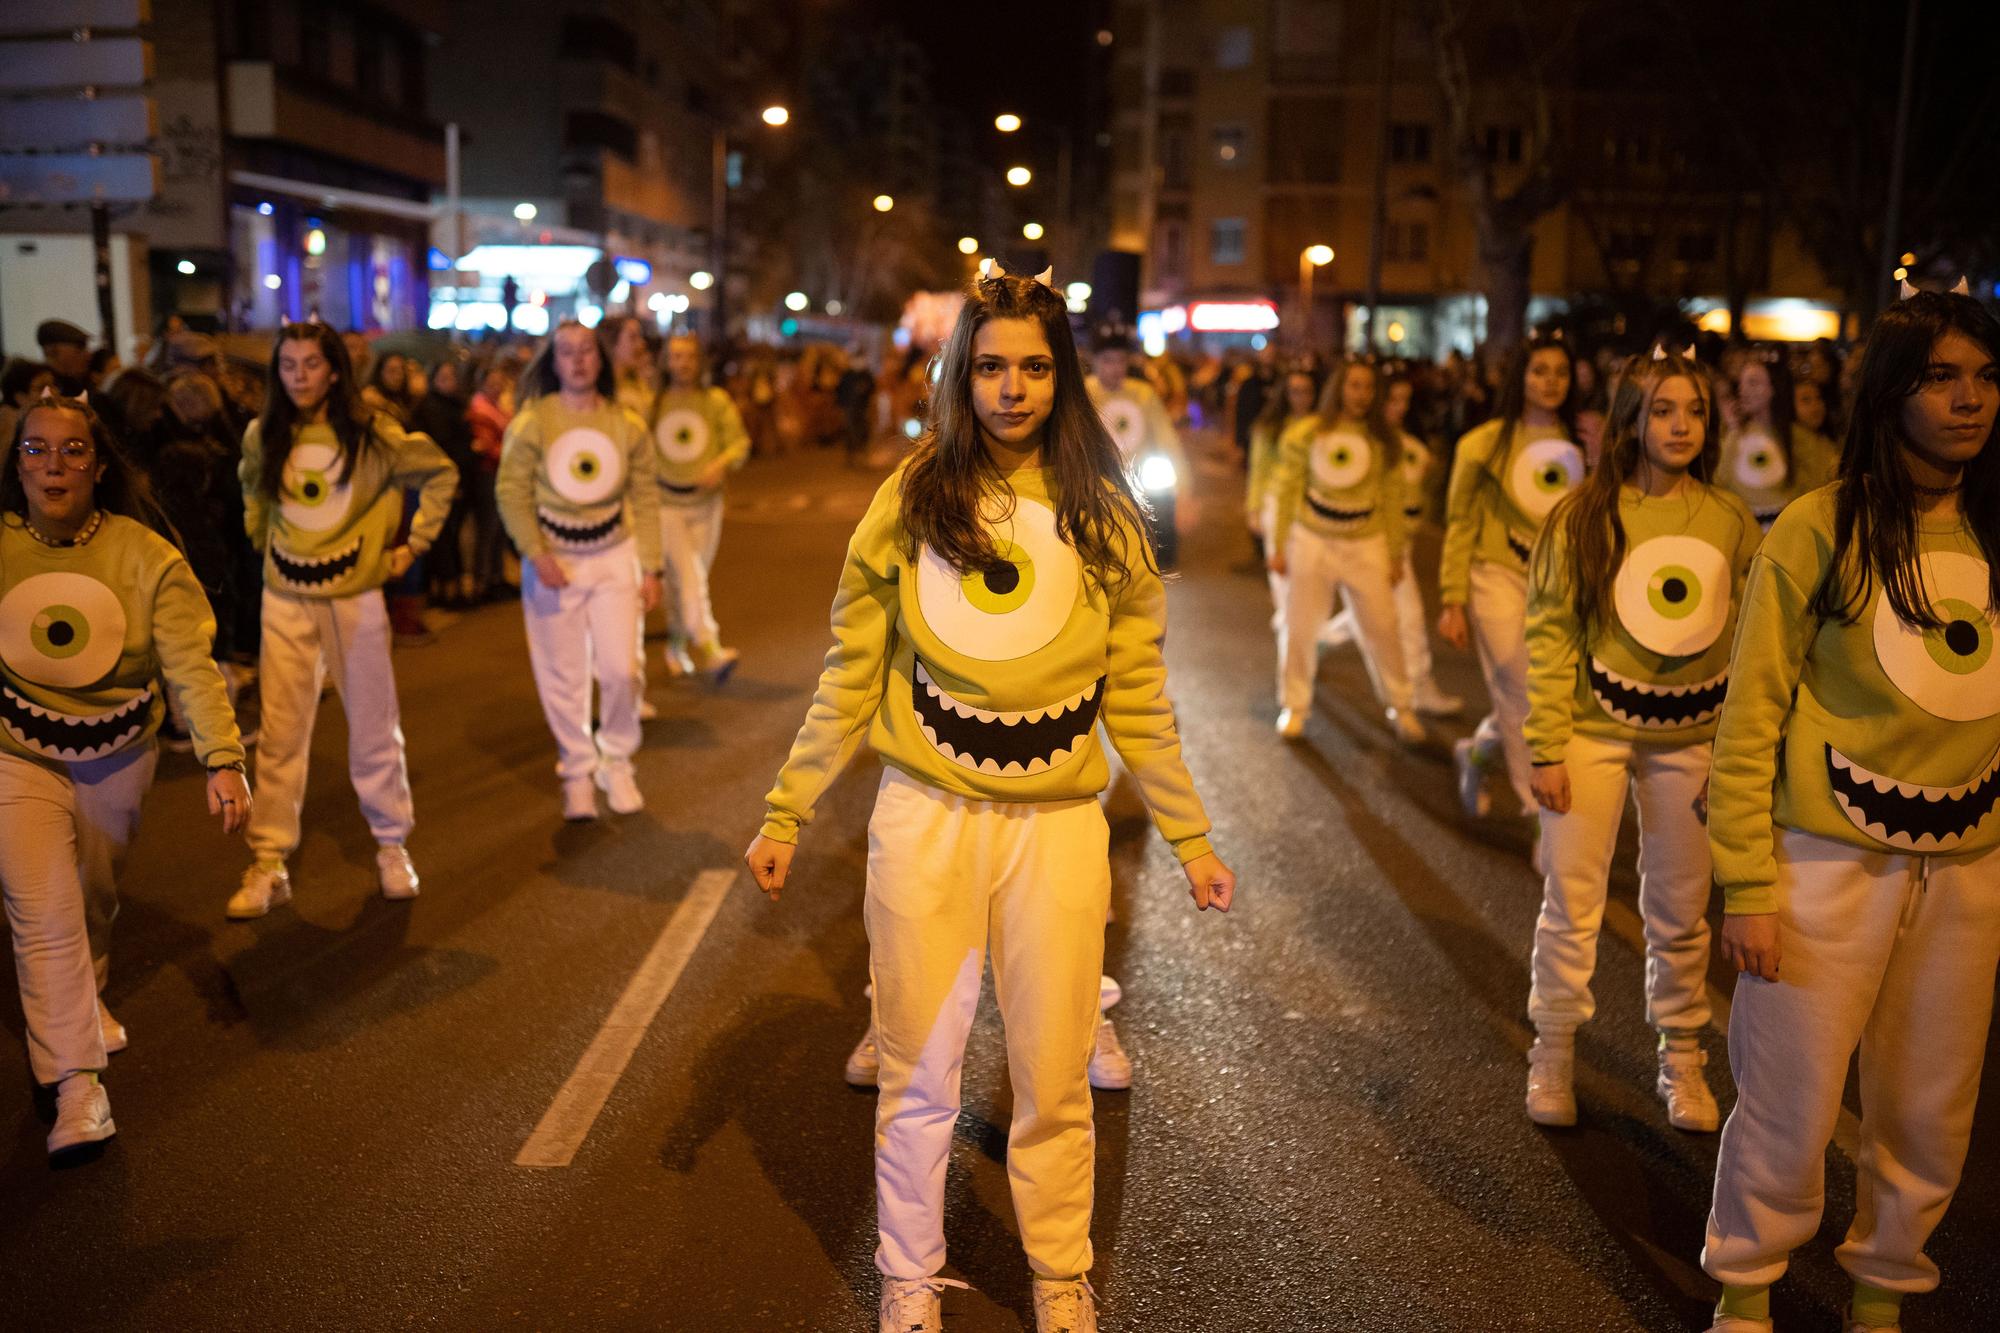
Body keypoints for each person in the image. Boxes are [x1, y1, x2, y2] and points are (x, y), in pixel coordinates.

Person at [743, 268, 1236, 1333]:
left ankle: (1060, 1272)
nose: (1011, 388)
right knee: (918, 1072)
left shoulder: (1104, 516)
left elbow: (1140, 697)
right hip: (922, 817)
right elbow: (847, 669)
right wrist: (787, 809)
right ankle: (907, 1276)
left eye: (1032, 367)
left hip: (1058, 829)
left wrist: (1190, 835)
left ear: (1059, 380)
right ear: (958, 378)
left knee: (1053, 1076)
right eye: (989, 367)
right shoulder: (911, 497)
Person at [1700, 289, 2000, 1333]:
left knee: (1928, 1106)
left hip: (1967, 868)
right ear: (1889, 391)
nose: (1968, 399)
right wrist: (1744, 880)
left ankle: (1883, 1289)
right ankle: (1744, 1286)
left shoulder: (1995, 532)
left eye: (1983, 376)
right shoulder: (1817, 530)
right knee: (1787, 1097)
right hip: (1817, 863)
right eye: (1938, 376)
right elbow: (1748, 719)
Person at [0, 396, 250, 1155]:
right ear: (17, 465)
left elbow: (190, 667)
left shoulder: (147, 557)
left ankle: (91, 982)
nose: (54, 465)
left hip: (118, 752)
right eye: (36, 450)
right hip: (16, 753)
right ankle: (78, 1087)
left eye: (72, 450)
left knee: (92, 896)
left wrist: (222, 757)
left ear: (99, 465)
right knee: (41, 911)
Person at [1519, 350, 1759, 1132]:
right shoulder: (1584, 516)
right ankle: (1553, 1049)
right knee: (1572, 900)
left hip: (1690, 744)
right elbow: (1551, 632)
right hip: (1590, 736)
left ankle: (1681, 1056)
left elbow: (1752, 639)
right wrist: (1546, 744)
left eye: (1693, 409)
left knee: (1681, 909)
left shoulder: (1729, 520)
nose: (1681, 423)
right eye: (1662, 410)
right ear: (1630, 421)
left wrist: (1733, 750)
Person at [226, 323, 458, 918]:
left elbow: (439, 473)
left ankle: (390, 845)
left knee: (374, 726)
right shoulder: (264, 433)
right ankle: (269, 860)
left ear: (334, 370)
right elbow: (251, 489)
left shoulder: (372, 434)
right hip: (285, 596)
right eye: (289, 365)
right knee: (280, 732)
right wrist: (261, 537)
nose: (300, 376)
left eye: (311, 364)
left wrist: (411, 547)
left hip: (355, 596)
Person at [497, 322, 663, 821]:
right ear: (553, 362)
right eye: (566, 353)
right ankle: (576, 771)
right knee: (562, 676)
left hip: (614, 554)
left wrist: (652, 568)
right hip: (554, 560)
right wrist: (536, 552)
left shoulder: (626, 422)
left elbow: (647, 497)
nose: (577, 361)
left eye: (586, 351)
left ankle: (617, 758)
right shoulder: (532, 421)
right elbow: (511, 491)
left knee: (621, 669)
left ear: (601, 359)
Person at [1437, 332, 1584, 822]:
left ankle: (1478, 752)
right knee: (1521, 688)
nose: (1551, 382)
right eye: (1539, 370)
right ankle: (1537, 813)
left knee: (1552, 695)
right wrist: (1452, 599)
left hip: (1563, 585)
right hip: (1495, 576)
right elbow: (1460, 523)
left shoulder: (1585, 441)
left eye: (1560, 372)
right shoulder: (1482, 445)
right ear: (1520, 376)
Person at [1266, 356, 1425, 744]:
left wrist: (1395, 554)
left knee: (1384, 628)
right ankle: (1295, 706)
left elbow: (1392, 499)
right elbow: (1287, 489)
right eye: (1354, 385)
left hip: (1366, 542)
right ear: (1339, 387)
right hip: (1312, 539)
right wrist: (1280, 543)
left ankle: (1401, 705)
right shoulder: (1306, 434)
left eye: (1368, 387)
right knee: (1301, 626)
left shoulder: (1384, 440)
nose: (1361, 394)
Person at [647, 333, 748, 682]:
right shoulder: (654, 402)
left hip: (707, 505)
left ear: (700, 361)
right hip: (665, 504)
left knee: (689, 580)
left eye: (689, 356)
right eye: (675, 357)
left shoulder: (716, 401)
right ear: (665, 362)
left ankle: (675, 645)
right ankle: (710, 647)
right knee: (689, 575)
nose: (682, 363)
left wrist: (720, 463)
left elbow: (740, 443)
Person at [1716, 353, 1840, 530]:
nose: (1743, 390)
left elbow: (1819, 484)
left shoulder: (1799, 439)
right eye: (1742, 383)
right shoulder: (1734, 436)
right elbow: (1720, 483)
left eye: (1753, 383)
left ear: (1774, 388)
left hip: (1785, 533)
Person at [412, 357, 478, 607]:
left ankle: (454, 585)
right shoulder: (431, 408)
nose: (449, 383)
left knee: (454, 534)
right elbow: (443, 446)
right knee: (444, 536)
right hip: (444, 479)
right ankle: (446, 589)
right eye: (443, 378)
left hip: (461, 475)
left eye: (452, 377)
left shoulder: (456, 405)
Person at [466, 361, 515, 601]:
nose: (496, 387)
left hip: (501, 470)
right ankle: (482, 581)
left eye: (499, 382)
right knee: (488, 527)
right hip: (488, 473)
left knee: (498, 527)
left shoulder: (497, 407)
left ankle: (497, 578)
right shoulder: (480, 409)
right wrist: (512, 452)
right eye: (491, 383)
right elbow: (487, 445)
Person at [36, 320, 94, 397]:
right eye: (79, 347)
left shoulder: (82, 384)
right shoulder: (43, 390)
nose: (88, 355)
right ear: (50, 350)